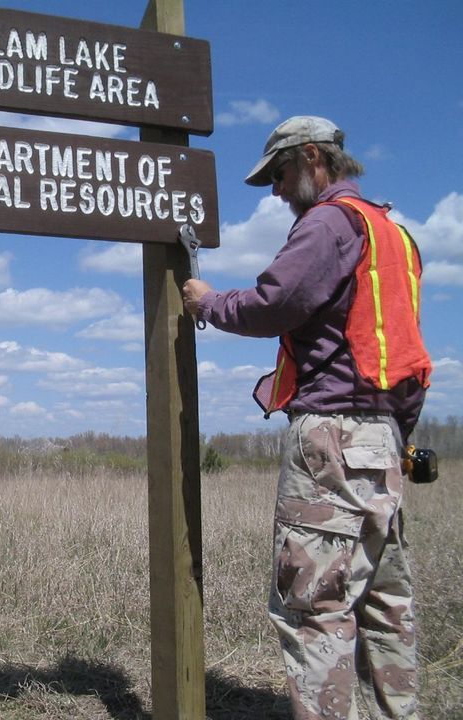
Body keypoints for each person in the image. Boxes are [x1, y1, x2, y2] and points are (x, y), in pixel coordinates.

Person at [183, 116, 431, 720]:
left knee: (316, 609)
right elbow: (404, 352)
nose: (274, 190)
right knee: (383, 607)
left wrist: (207, 302)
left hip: (331, 439)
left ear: (314, 156)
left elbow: (276, 302)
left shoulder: (327, 223)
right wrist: (397, 440)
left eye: (280, 172)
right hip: (383, 440)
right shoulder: (392, 233)